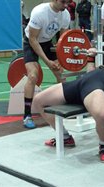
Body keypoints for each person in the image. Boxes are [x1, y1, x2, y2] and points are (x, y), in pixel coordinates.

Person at [22, 0, 70, 129]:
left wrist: (60, 59)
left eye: (68, 2)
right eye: (63, 2)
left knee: (61, 75)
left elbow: (63, 39)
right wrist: (47, 61)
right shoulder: (39, 12)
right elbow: (33, 39)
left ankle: (64, 109)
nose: (66, 5)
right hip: (31, 42)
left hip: (47, 42)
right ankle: (27, 115)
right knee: (33, 76)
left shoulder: (65, 14)